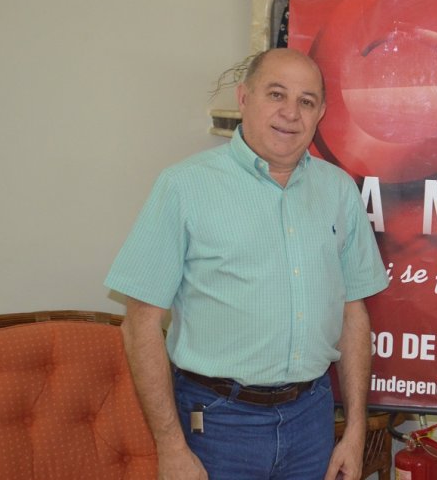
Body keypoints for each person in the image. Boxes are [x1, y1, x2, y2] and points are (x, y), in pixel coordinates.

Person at [105, 48, 388, 480]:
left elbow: (353, 312)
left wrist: (354, 431)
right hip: (218, 423)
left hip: (311, 419)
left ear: (320, 114)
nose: (290, 113)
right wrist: (170, 446)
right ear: (243, 97)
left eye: (306, 101)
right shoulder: (183, 186)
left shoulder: (339, 190)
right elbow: (140, 324)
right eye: (276, 94)